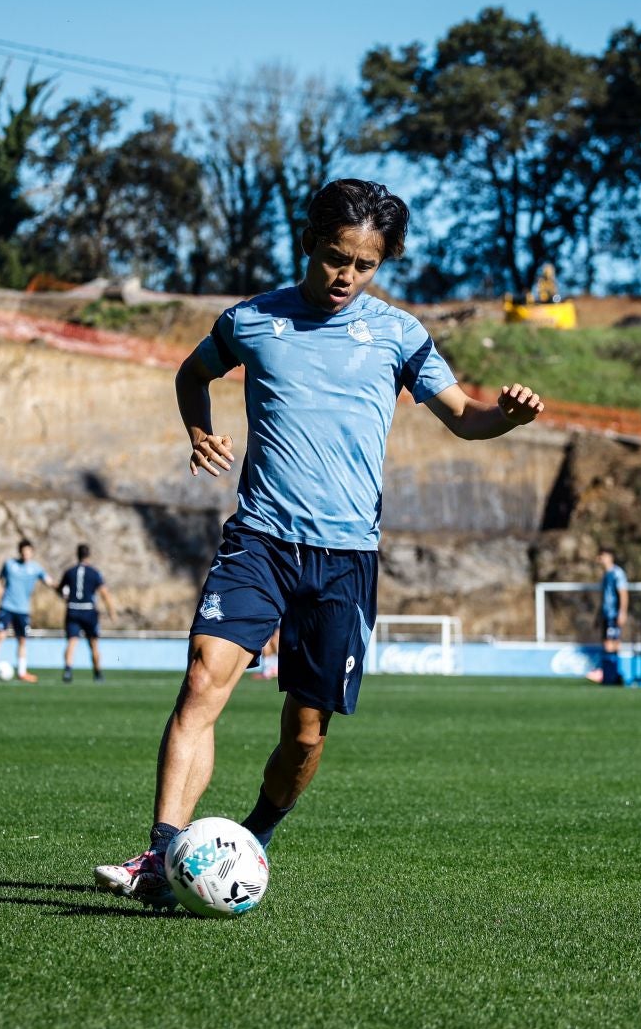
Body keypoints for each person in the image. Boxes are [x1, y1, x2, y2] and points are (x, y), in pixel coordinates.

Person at [92, 178, 545, 907]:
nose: (347, 276)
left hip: (345, 559)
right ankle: (160, 854)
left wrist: (508, 417)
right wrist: (200, 431)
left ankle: (252, 841)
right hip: (259, 539)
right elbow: (192, 374)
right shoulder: (251, 321)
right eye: (337, 257)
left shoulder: (399, 334)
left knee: (305, 734)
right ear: (309, 243)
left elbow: (465, 416)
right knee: (202, 681)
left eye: (365, 265)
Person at [0, 539, 55, 683]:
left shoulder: (36, 568)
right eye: (23, 551)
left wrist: (63, 588)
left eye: (28, 551)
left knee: (22, 640)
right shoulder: (9, 564)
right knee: (0, 636)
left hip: (22, 609)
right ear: (20, 551)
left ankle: (22, 672)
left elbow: (49, 582)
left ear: (32, 552)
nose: (26, 553)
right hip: (7, 606)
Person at [59, 544, 118, 683]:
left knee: (72, 641)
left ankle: (68, 670)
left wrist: (66, 597)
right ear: (89, 556)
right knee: (94, 643)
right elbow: (104, 593)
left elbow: (61, 590)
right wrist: (112, 611)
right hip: (88, 611)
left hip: (72, 609)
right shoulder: (94, 572)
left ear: (77, 555)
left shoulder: (69, 572)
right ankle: (98, 673)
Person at [589, 549, 629, 686]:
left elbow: (623, 593)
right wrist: (598, 616)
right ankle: (611, 674)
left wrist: (622, 612)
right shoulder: (606, 574)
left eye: (602, 556)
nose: (600, 559)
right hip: (606, 614)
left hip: (614, 613)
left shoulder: (617, 573)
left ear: (610, 557)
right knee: (609, 641)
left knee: (611, 642)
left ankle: (611, 672)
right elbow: (604, 597)